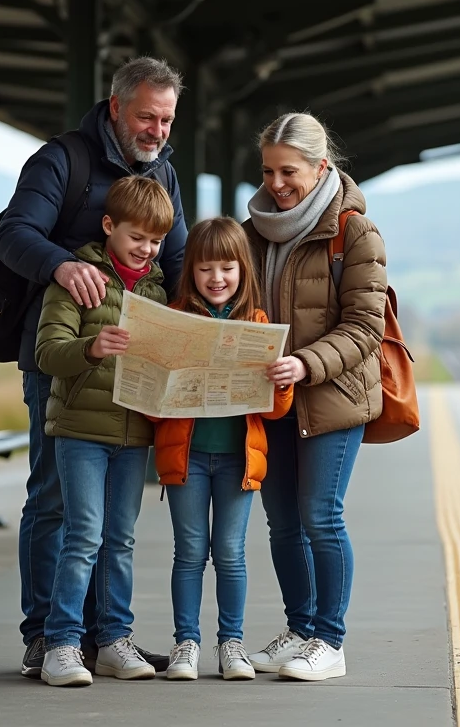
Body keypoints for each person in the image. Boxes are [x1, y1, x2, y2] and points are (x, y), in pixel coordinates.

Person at [0, 57, 187, 677]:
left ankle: (107, 637)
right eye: (146, 116)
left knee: (113, 520)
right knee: (56, 500)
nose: (156, 130)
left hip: (130, 371)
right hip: (61, 359)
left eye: (167, 119)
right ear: (115, 108)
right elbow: (12, 232)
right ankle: (47, 635)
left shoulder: (164, 174)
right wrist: (62, 265)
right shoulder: (61, 161)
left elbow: (178, 260)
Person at [242, 113, 387, 682]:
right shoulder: (252, 230)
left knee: (320, 517)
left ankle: (329, 640)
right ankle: (299, 629)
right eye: (268, 171)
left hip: (331, 397)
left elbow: (365, 327)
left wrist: (305, 362)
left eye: (289, 172)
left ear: (321, 167)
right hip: (269, 396)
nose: (277, 184)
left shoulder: (354, 232)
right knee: (281, 522)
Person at [33, 175, 174, 687]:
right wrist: (91, 349)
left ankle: (114, 639)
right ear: (109, 226)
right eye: (137, 237)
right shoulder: (76, 279)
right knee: (83, 536)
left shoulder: (159, 289)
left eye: (156, 241)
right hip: (80, 430)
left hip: (134, 433)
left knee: (120, 540)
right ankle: (63, 644)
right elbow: (47, 353)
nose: (147, 249)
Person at [148, 218, 295, 682]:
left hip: (238, 458)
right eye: (206, 268)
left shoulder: (257, 325)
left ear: (242, 271)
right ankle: (185, 644)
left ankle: (231, 643)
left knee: (231, 553)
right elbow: (153, 411)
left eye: (227, 267)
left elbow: (273, 412)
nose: (217, 278)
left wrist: (281, 382)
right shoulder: (175, 321)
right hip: (185, 456)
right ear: (191, 270)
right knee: (189, 552)